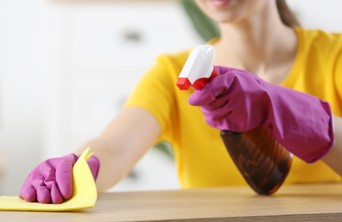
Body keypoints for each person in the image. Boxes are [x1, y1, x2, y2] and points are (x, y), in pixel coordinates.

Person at [20, 0, 342, 204]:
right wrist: (78, 168)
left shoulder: (334, 57)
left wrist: (291, 111)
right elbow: (115, 147)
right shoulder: (175, 75)